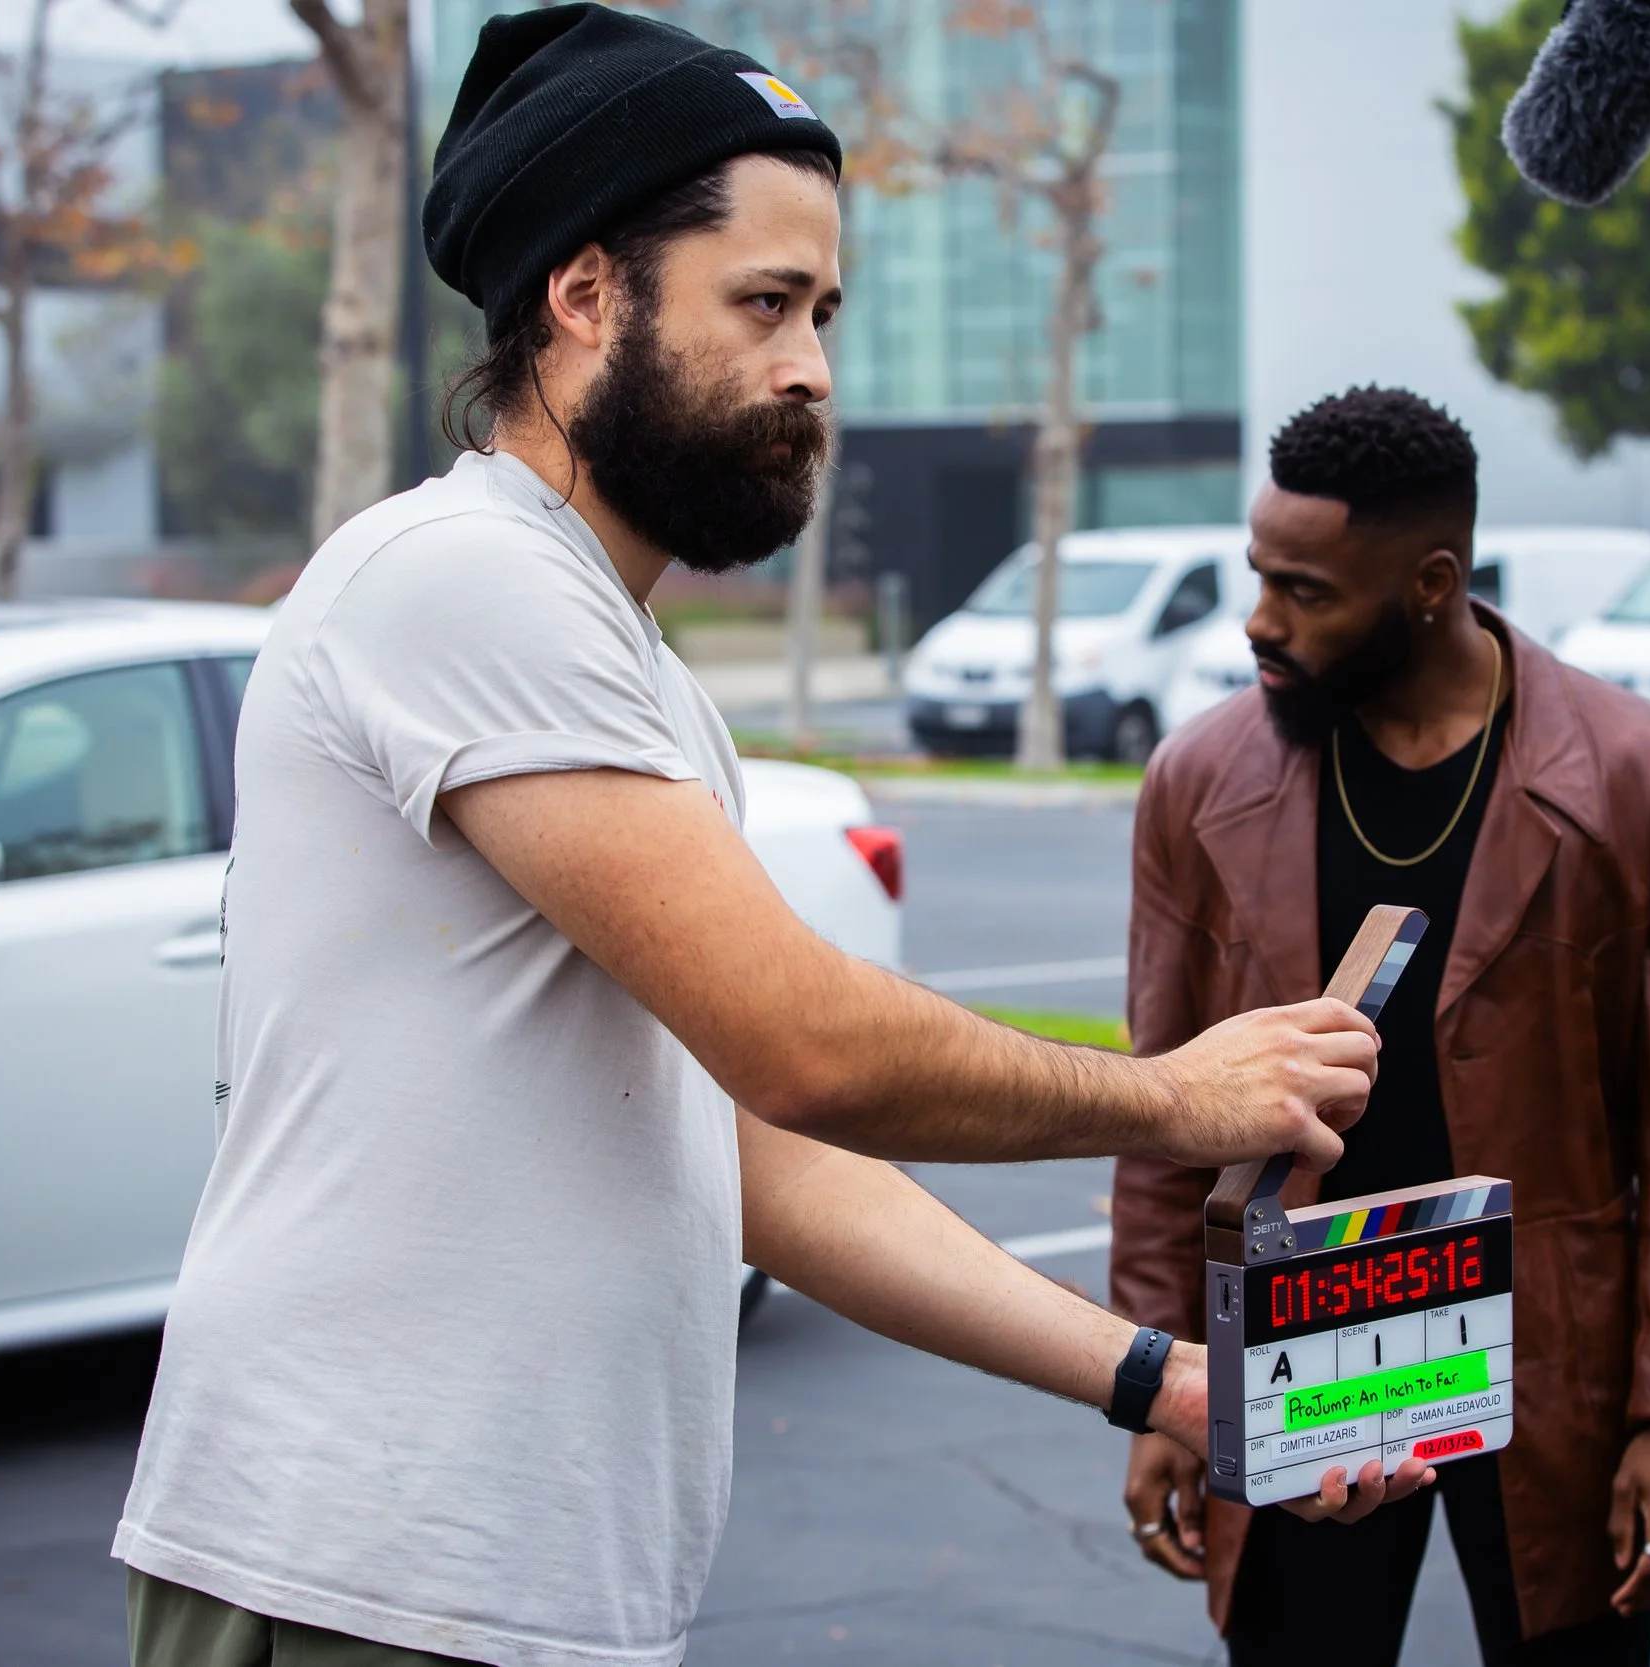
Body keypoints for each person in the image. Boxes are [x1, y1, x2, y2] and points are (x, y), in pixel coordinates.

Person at [111, 12, 1426, 1667]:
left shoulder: (631, 670)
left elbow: (757, 1157)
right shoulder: (461, 577)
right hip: (356, 1574)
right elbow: (802, 1045)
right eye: (763, 304)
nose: (813, 364)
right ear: (585, 297)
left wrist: (1160, 1375)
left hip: (524, 1591)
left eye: (826, 312)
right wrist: (1180, 1099)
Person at [1109, 387, 1650, 1665]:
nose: (1260, 620)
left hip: (1550, 1346)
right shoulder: (1198, 782)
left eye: (1305, 590)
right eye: (1258, 575)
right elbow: (1164, 1111)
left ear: (1430, 582)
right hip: (1300, 1330)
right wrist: (1161, 1384)